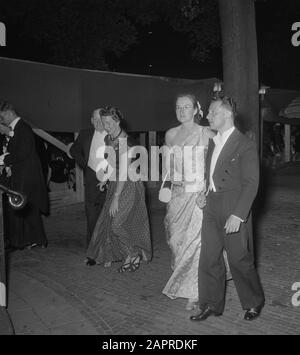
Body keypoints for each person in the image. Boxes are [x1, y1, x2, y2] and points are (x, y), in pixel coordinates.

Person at [190, 96, 265, 322]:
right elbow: (212, 175)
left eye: (212, 112)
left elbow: (251, 183)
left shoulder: (245, 144)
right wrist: (204, 193)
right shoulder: (213, 142)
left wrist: (239, 214)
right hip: (212, 206)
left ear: (227, 115)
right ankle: (210, 304)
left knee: (238, 258)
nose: (207, 116)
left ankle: (253, 301)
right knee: (208, 257)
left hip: (234, 207)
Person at [162, 93, 214, 311]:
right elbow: (168, 167)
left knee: (196, 242)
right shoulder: (170, 134)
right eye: (178, 107)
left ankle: (195, 291)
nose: (181, 111)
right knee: (175, 239)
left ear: (195, 110)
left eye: (186, 107)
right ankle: (183, 279)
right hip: (176, 195)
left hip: (196, 195)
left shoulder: (205, 133)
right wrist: (165, 188)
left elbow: (215, 163)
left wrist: (209, 189)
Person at [85, 106, 152, 272]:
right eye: (104, 122)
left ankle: (134, 252)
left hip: (129, 184)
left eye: (109, 122)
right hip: (116, 182)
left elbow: (123, 172)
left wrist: (115, 197)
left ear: (118, 121)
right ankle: (129, 255)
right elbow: (113, 164)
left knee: (117, 223)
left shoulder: (125, 142)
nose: (107, 126)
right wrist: (106, 179)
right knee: (112, 223)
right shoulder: (109, 138)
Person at [0, 101, 48, 250]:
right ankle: (38, 239)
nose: (2, 121)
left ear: (9, 113)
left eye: (2, 117)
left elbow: (22, 153)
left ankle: (18, 241)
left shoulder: (23, 128)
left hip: (26, 176)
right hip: (23, 174)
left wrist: (2, 159)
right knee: (29, 208)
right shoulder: (17, 128)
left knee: (18, 207)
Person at [70, 109, 107, 246]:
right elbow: (74, 150)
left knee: (108, 212)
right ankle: (92, 246)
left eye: (101, 120)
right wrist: (84, 164)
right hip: (91, 177)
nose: (98, 123)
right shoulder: (85, 134)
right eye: (95, 120)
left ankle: (107, 247)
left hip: (109, 177)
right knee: (91, 212)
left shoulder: (113, 134)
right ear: (91, 120)